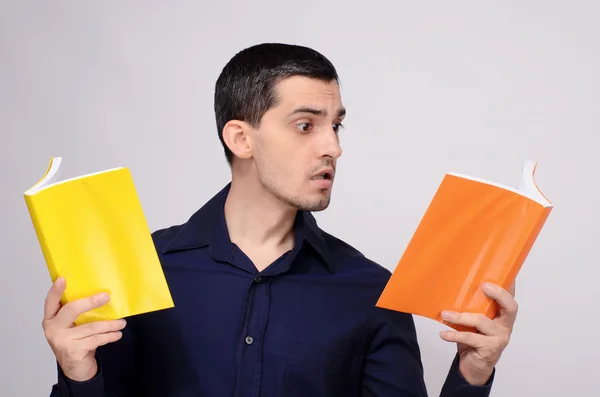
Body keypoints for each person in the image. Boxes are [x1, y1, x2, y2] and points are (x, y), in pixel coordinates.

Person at [43, 43, 518, 397]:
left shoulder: (372, 292)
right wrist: (76, 372)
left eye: (337, 125)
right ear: (240, 138)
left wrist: (472, 374)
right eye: (306, 125)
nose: (332, 146)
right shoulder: (137, 269)